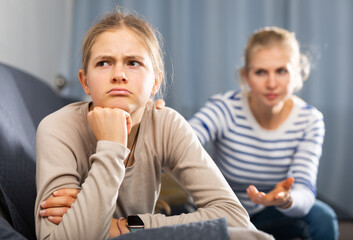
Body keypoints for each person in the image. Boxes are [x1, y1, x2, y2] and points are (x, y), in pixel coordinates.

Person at [34, 6, 254, 240]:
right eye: (104, 63)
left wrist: (130, 226)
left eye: (133, 63)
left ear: (155, 82)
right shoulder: (57, 129)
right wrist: (111, 146)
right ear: (84, 82)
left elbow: (235, 217)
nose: (119, 74)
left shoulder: (166, 124)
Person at [186, 27, 339, 239]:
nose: (271, 83)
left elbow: (303, 189)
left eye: (281, 71)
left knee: (323, 218)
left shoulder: (309, 120)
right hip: (224, 212)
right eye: (260, 72)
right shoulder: (224, 108)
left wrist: (284, 199)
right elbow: (184, 139)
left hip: (273, 212)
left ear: (298, 73)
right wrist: (159, 119)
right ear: (246, 76)